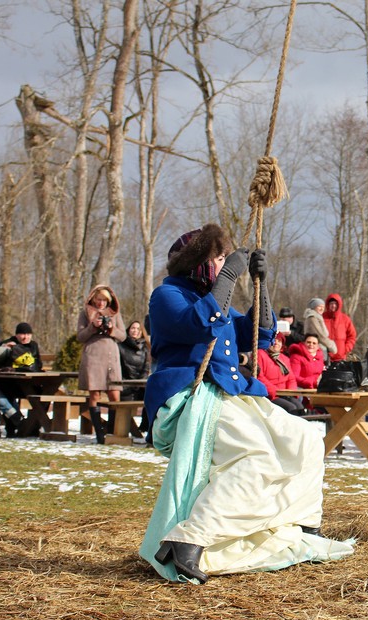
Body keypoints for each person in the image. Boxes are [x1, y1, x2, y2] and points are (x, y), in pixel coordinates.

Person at [139, 223, 353, 584]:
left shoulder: (218, 301)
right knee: (256, 460)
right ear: (198, 262)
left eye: (226, 259)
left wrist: (260, 283)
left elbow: (263, 332)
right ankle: (188, 539)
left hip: (232, 393)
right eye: (217, 258)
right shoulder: (168, 296)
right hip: (193, 397)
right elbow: (202, 322)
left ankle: (302, 524)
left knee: (306, 439)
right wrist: (231, 274)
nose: (224, 265)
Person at [77, 285, 127, 444]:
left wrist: (111, 328)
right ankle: (99, 432)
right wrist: (93, 327)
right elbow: (80, 336)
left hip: (111, 356)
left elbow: (123, 336)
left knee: (114, 394)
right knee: (95, 394)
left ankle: (112, 431)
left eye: (105, 300)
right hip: (93, 356)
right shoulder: (85, 313)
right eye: (99, 299)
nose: (101, 303)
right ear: (93, 299)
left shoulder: (114, 313)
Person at [257, 333, 304, 415]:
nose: (276, 343)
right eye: (274, 340)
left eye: (279, 341)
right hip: (270, 394)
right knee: (291, 408)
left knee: (300, 407)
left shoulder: (284, 358)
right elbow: (260, 377)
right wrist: (276, 391)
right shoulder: (260, 354)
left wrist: (290, 392)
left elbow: (291, 378)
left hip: (284, 394)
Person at [323, 293, 357, 362]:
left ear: (339, 305)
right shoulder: (322, 318)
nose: (333, 306)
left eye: (335, 304)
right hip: (324, 357)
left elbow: (352, 336)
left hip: (340, 357)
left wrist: (345, 349)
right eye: (331, 303)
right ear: (328, 305)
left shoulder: (345, 319)